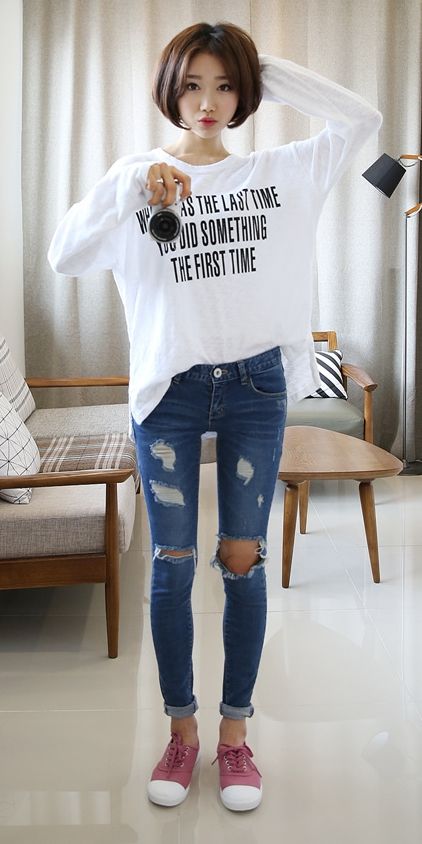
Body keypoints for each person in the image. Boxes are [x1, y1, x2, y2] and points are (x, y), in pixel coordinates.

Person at [48, 20, 382, 812]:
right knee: (170, 565)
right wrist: (135, 185)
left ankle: (235, 736)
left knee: (242, 559)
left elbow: (362, 119)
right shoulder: (139, 176)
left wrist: (255, 60)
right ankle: (181, 731)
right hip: (169, 391)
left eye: (226, 85)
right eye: (194, 84)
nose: (209, 101)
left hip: (254, 389)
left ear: (245, 93)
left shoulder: (281, 172)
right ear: (170, 90)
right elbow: (65, 255)